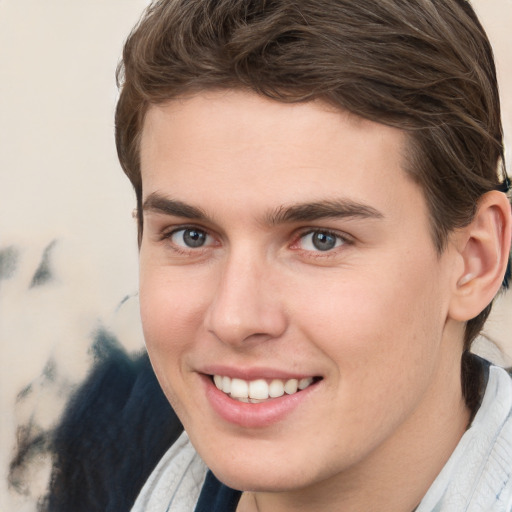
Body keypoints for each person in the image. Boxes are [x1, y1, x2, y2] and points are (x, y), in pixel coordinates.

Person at [113, 0, 512, 510]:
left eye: (321, 239)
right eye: (191, 235)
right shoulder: (119, 473)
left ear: (474, 260)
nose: (235, 319)